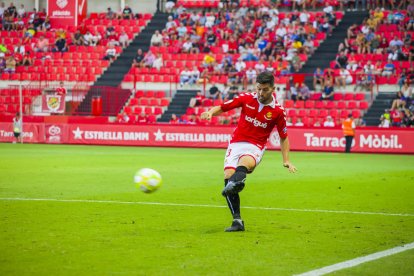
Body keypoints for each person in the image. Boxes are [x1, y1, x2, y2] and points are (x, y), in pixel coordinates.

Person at [200, 71, 297, 232]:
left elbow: (284, 137)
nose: (260, 93)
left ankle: (238, 182)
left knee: (245, 163)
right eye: (258, 88)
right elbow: (224, 107)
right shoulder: (246, 98)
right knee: (228, 177)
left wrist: (286, 159)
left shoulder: (278, 112)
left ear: (273, 89)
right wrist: (210, 112)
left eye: (265, 89)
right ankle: (237, 221)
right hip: (236, 144)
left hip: (255, 146)